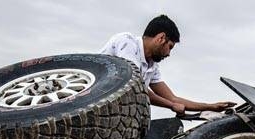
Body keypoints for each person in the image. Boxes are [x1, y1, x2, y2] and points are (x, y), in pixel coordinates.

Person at [100, 14, 235, 114]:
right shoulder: (127, 42)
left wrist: (210, 106)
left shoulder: (152, 66)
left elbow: (173, 98)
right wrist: (170, 105)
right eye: (170, 47)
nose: (169, 53)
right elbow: (134, 87)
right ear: (161, 38)